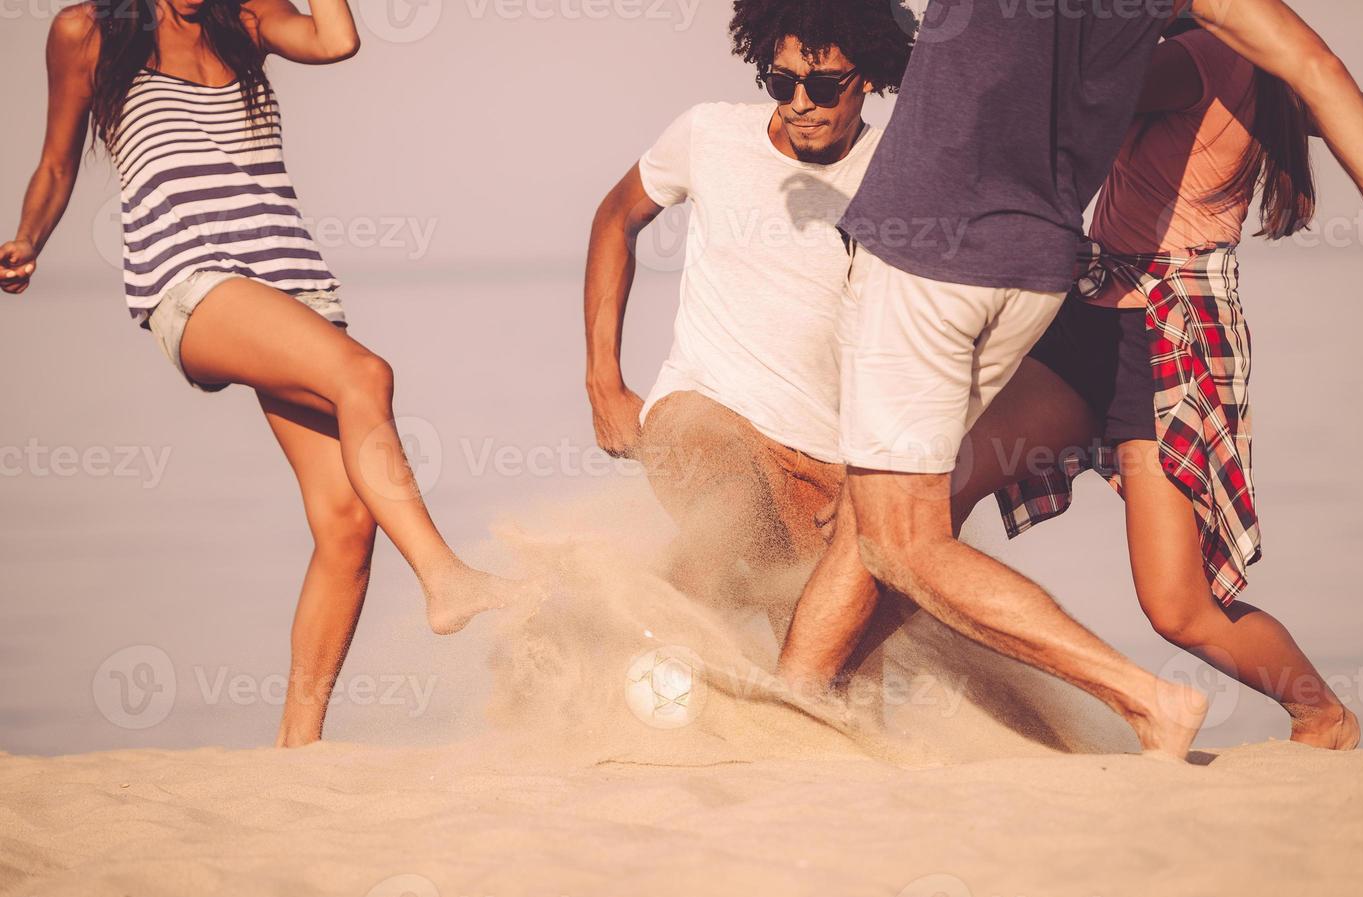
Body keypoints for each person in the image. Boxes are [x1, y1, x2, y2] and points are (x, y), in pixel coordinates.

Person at [777, 0, 1363, 760]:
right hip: (1091, 309)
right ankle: (822, 691)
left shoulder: (1187, 59)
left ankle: (1320, 716)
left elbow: (1056, 85)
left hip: (1165, 327)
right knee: (926, 502)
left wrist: (871, 51)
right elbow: (1305, 84)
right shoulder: (1224, 57)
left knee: (1178, 610)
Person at [0, 0, 515, 746]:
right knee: (365, 375)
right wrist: (27, 238)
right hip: (190, 282)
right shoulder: (90, 30)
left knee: (347, 525)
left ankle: (295, 752)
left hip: (294, 285)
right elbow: (56, 161)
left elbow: (335, 38)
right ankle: (444, 576)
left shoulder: (245, 21)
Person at [583, 0, 914, 623]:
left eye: (821, 84)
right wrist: (603, 381)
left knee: (826, 654)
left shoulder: (900, 174)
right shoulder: (709, 134)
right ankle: (639, 645)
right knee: (728, 513)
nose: (799, 103)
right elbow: (615, 217)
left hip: (828, 460)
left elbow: (919, 346)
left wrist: (877, 475)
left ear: (866, 75)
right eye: (781, 81)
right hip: (704, 410)